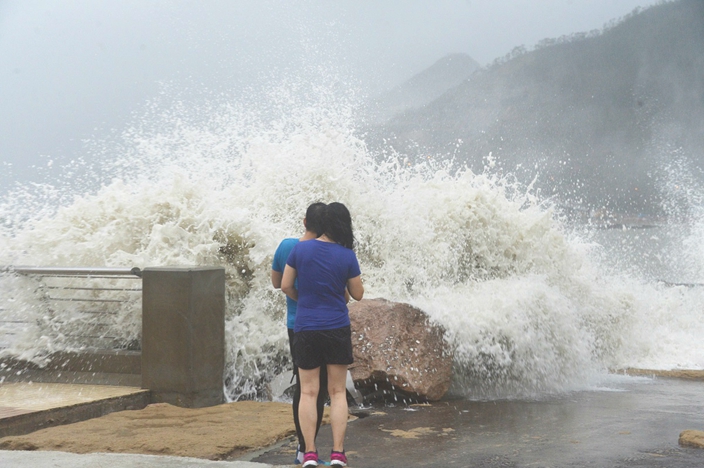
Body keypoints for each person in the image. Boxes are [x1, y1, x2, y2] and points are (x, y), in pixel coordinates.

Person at [281, 202, 364, 467]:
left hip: (306, 327)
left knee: (308, 392)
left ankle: (309, 454)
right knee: (337, 391)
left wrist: (303, 299)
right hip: (336, 326)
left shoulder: (300, 249)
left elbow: (284, 285)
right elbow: (358, 294)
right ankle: (338, 453)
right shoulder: (346, 255)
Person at [271, 202, 328, 465]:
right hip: (326, 323)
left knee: (304, 387)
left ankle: (304, 448)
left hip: (296, 323)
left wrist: (298, 297)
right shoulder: (329, 250)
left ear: (304, 221)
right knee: (322, 387)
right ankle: (310, 447)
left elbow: (276, 283)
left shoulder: (287, 246)